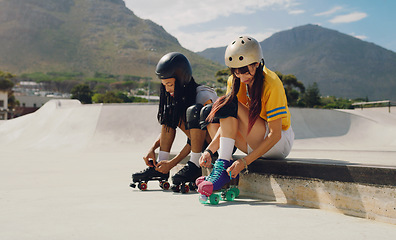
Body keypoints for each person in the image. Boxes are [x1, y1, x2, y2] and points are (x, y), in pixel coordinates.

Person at [196, 36, 294, 197]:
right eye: (235, 72)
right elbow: (228, 123)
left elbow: (275, 134)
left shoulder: (271, 83)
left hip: (279, 142)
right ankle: (223, 169)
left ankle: (222, 170)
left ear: (257, 63)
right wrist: (209, 150)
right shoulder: (234, 81)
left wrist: (244, 162)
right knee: (212, 112)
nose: (241, 77)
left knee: (229, 103)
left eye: (244, 71)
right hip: (254, 139)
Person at [131, 52, 219, 192]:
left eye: (170, 84)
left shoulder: (203, 96)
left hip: (215, 145)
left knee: (195, 111)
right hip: (198, 143)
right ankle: (161, 167)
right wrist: (152, 149)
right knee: (170, 111)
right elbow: (189, 135)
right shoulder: (181, 95)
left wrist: (172, 163)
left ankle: (195, 166)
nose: (167, 89)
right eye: (164, 85)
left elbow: (197, 139)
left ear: (182, 79)